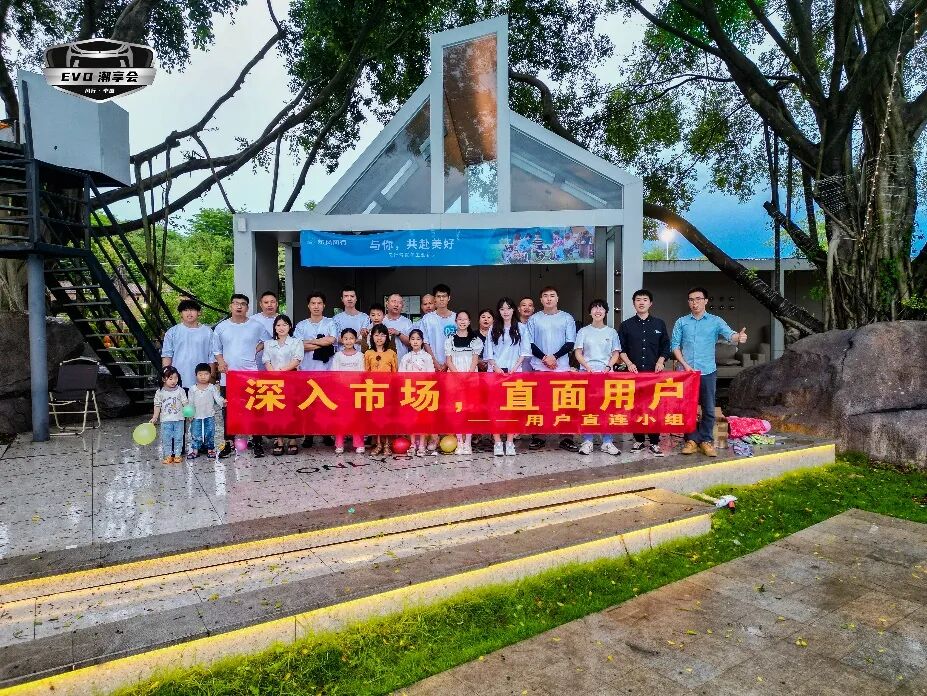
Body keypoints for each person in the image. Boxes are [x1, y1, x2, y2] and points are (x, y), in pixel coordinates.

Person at [671, 286, 748, 457]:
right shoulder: (681, 322)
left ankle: (706, 440)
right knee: (688, 408)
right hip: (687, 373)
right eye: (691, 300)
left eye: (698, 299)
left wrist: (738, 337)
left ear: (705, 301)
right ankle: (691, 440)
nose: (695, 303)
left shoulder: (715, 321)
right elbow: (675, 345)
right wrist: (684, 364)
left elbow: (730, 334)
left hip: (707, 371)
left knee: (709, 408)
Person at [213, 294, 271, 458]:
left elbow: (267, 341)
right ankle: (229, 443)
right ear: (230, 306)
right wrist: (220, 362)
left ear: (247, 308)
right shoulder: (221, 327)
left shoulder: (256, 325)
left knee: (254, 409)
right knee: (228, 411)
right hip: (229, 376)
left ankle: (257, 442)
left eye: (243, 304)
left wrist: (255, 349)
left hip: (250, 374)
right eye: (236, 303)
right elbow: (216, 349)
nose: (239, 306)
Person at [619, 289, 671, 457]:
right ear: (634, 303)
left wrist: (661, 361)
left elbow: (666, 346)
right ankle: (639, 440)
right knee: (636, 407)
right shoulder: (626, 325)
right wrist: (629, 363)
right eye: (638, 300)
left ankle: (654, 442)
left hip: (654, 374)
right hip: (633, 374)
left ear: (650, 303)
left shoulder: (659, 324)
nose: (641, 302)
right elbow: (621, 349)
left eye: (645, 299)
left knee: (654, 407)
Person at [526, 287, 578, 452]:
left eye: (552, 296)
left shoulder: (567, 318)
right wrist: (544, 358)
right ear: (541, 300)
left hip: (561, 368)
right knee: (540, 404)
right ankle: (539, 436)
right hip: (539, 368)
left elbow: (570, 342)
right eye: (545, 296)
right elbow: (529, 343)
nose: (549, 299)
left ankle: (566, 437)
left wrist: (554, 357)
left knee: (565, 404)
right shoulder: (534, 319)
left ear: (557, 298)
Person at [575, 299, 622, 456]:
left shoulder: (611, 332)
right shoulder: (583, 331)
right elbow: (578, 353)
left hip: (606, 374)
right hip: (587, 374)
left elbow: (616, 353)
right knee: (588, 407)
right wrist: (587, 366)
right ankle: (587, 441)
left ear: (606, 312)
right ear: (590, 312)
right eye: (594, 308)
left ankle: (607, 442)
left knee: (607, 408)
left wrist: (608, 367)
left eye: (601, 308)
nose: (598, 311)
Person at [486, 297, 529, 457]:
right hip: (495, 372)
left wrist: (515, 368)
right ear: (499, 311)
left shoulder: (521, 328)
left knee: (513, 408)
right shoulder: (493, 328)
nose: (505, 311)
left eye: (508, 308)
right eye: (502, 309)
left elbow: (524, 351)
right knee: (495, 408)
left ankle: (510, 442)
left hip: (514, 372)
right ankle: (497, 441)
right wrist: (496, 367)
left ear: (513, 310)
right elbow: (489, 352)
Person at [294, 291, 337, 448]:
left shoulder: (330, 322)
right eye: (313, 303)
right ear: (308, 305)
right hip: (306, 370)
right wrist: (321, 342)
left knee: (325, 403)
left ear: (324, 305)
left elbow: (331, 340)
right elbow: (299, 346)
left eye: (319, 303)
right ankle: (309, 435)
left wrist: (310, 342)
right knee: (308, 404)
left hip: (326, 370)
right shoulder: (301, 325)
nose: (316, 306)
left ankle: (326, 433)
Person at [263, 314, 304, 456]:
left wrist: (281, 371)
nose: (281, 327)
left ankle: (292, 440)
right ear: (274, 328)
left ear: (290, 327)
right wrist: (273, 374)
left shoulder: (296, 342)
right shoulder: (269, 344)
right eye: (278, 325)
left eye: (285, 325)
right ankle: (279, 440)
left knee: (292, 410)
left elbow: (297, 359)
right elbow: (266, 360)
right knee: (276, 410)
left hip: (292, 378)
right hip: (273, 380)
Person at [445, 310, 483, 455]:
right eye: (459, 319)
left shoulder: (475, 340)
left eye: (465, 319)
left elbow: (475, 360)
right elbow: (449, 361)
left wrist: (467, 376)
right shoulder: (450, 340)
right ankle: (459, 441)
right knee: (457, 410)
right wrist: (458, 376)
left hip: (470, 378)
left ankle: (468, 442)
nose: (462, 321)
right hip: (454, 378)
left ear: (469, 322)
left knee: (469, 410)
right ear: (456, 321)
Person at [161, 298, 214, 393]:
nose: (189, 313)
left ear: (199, 312)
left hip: (202, 379)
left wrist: (212, 378)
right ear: (181, 314)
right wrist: (167, 376)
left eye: (192, 310)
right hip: (177, 379)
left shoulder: (208, 332)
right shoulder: (172, 332)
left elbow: (212, 357)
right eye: (185, 310)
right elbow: (167, 355)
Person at [399, 328, 437, 456]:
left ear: (422, 341)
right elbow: (401, 376)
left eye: (418, 339)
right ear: (409, 341)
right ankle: (412, 443)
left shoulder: (427, 357)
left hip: (423, 392)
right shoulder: (405, 357)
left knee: (422, 419)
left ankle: (421, 444)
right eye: (413, 339)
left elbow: (431, 375)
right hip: (410, 392)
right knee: (411, 419)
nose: (415, 342)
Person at [365, 323, 398, 455]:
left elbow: (395, 373)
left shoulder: (391, 353)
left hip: (388, 391)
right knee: (377, 418)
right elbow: (366, 372)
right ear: (372, 337)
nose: (379, 338)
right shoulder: (368, 353)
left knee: (388, 417)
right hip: (374, 391)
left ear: (387, 337)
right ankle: (378, 443)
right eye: (376, 335)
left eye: (383, 335)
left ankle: (387, 444)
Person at [331, 328, 366, 454]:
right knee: (341, 418)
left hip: (356, 391)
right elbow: (334, 373)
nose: (348, 341)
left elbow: (362, 373)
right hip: (341, 392)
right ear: (342, 340)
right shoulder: (338, 356)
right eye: (346, 338)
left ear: (355, 340)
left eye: (351, 338)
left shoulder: (360, 356)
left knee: (357, 418)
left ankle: (359, 443)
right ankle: (339, 444)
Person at [187, 362, 225, 459]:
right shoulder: (192, 389)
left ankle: (210, 449)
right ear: (196, 375)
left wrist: (223, 402)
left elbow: (217, 398)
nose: (203, 377)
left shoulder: (212, 387)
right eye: (200, 374)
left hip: (209, 415)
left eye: (206, 374)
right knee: (195, 433)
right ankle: (195, 450)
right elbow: (190, 402)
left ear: (210, 375)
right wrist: (190, 414)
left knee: (210, 432)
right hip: (196, 415)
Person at [151, 365, 188, 464]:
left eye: (176, 378)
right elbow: (157, 405)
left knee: (179, 438)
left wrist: (189, 414)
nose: (173, 381)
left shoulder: (180, 390)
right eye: (170, 378)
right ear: (164, 379)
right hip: (166, 420)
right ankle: (168, 455)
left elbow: (185, 403)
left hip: (179, 419)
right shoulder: (160, 392)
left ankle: (177, 455)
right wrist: (155, 417)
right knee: (166, 439)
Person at [421, 284, 456, 371]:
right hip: (431, 364)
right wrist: (434, 362)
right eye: (438, 296)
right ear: (434, 299)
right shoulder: (427, 318)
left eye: (444, 296)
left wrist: (447, 363)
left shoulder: (456, 318)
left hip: (453, 364)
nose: (441, 299)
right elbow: (425, 342)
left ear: (449, 298)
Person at [333, 286, 371, 351]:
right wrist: (356, 339)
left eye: (352, 296)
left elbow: (366, 339)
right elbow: (335, 338)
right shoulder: (336, 319)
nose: (349, 299)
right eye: (346, 296)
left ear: (356, 299)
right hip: (341, 355)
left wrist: (346, 339)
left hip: (360, 355)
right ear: (342, 299)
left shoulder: (365, 317)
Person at [384, 293, 414, 360]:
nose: (396, 305)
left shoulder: (407, 322)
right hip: (383, 362)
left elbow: (412, 344)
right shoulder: (380, 320)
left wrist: (398, 333)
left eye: (399, 303)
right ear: (387, 304)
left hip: (402, 361)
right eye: (393, 301)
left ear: (402, 306)